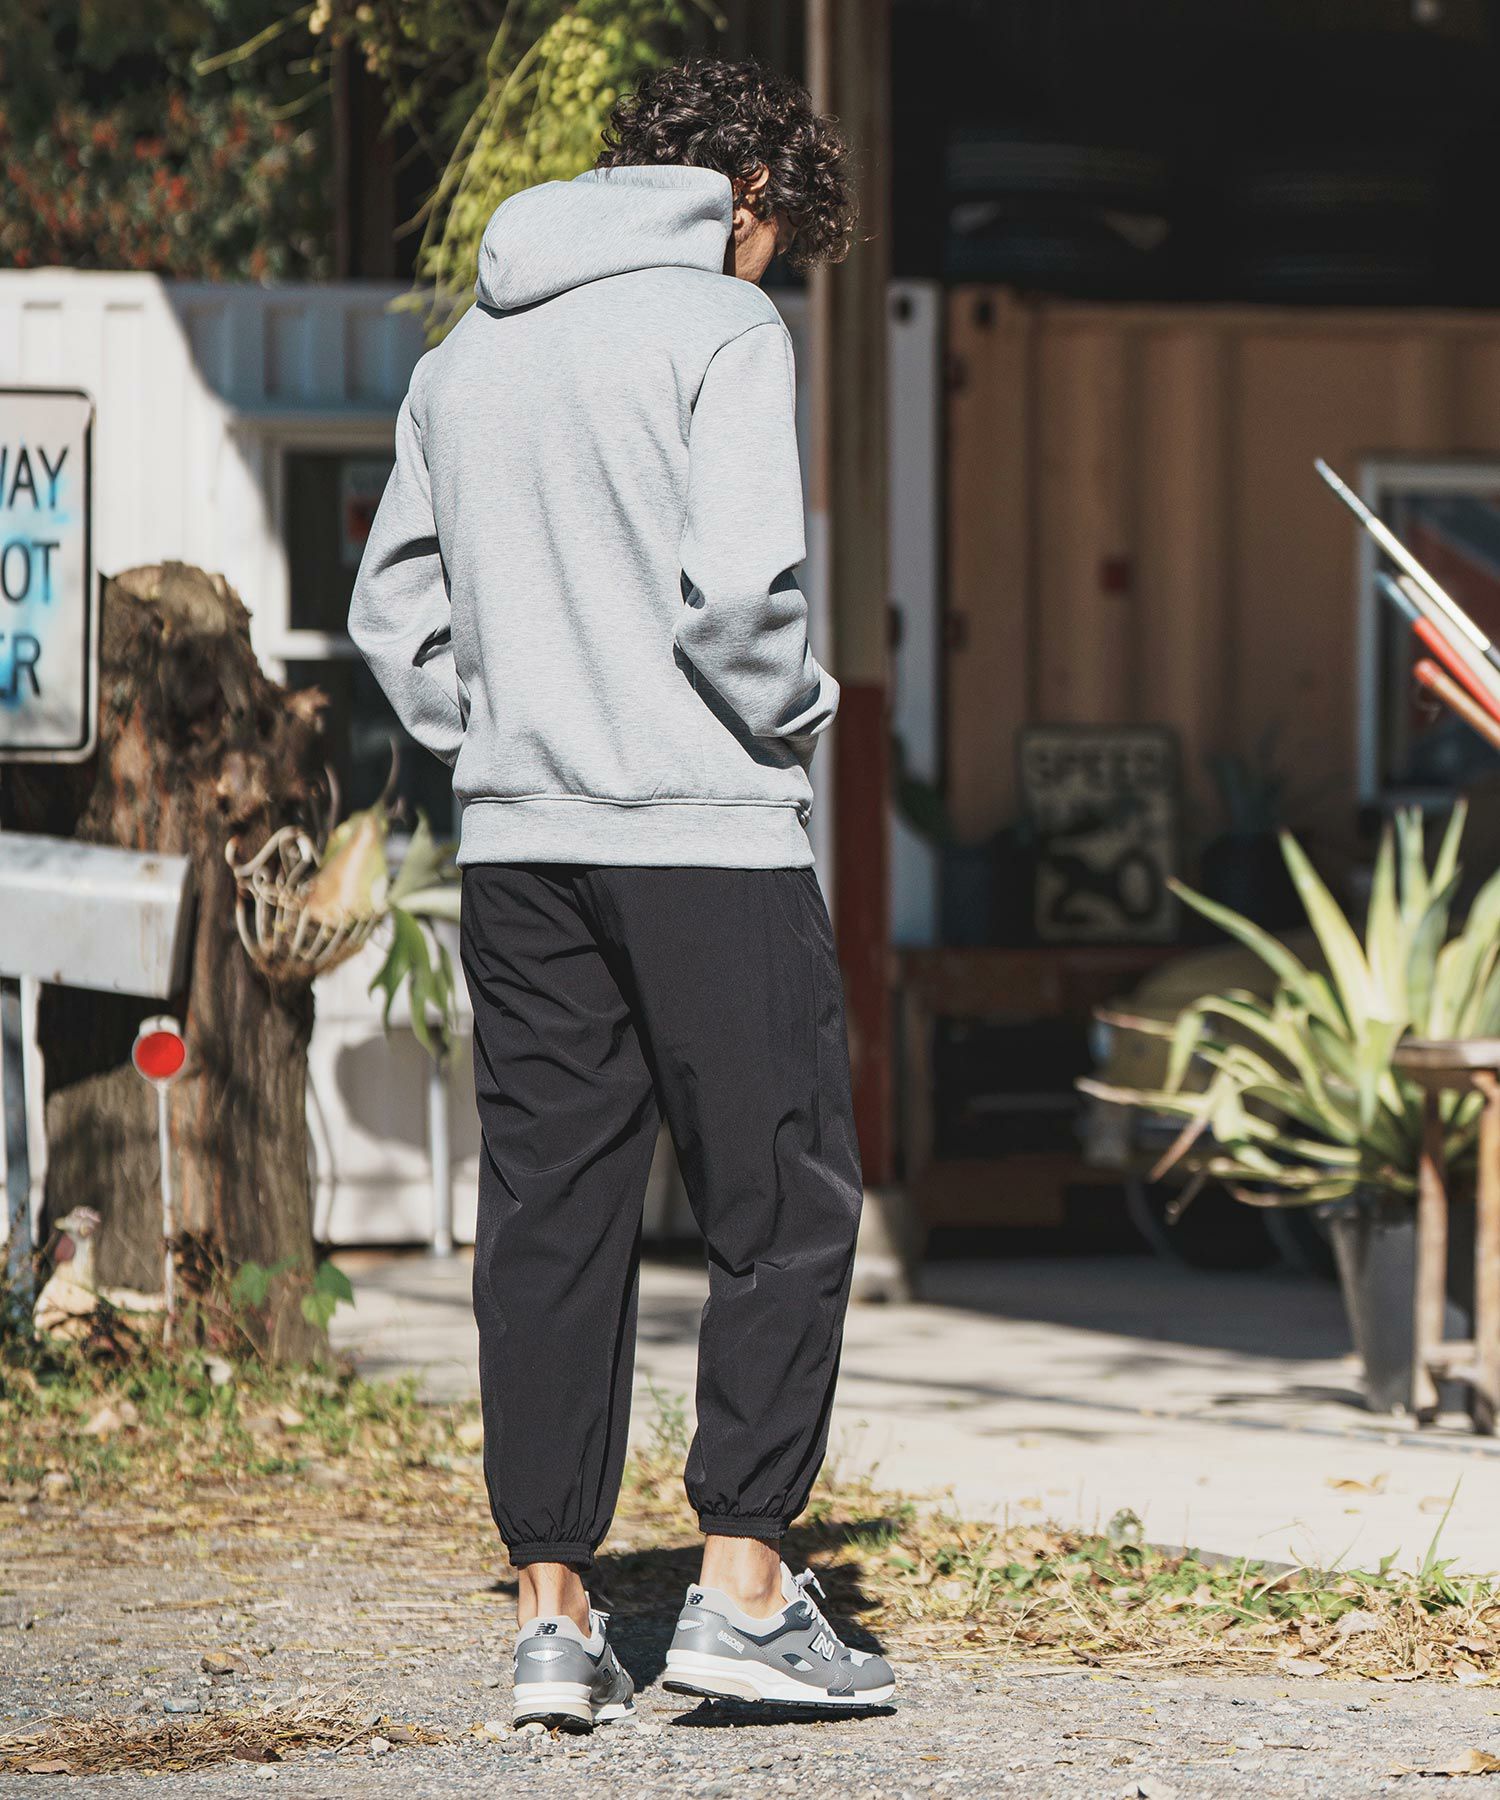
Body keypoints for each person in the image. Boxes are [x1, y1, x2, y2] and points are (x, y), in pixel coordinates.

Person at [349, 55, 894, 1729]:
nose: (773, 261)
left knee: (550, 1212)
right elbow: (740, 603)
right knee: (781, 1196)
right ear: (746, 196)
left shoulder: (464, 354)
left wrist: (512, 741)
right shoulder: (723, 329)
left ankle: (553, 1620)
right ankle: (744, 1589)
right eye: (779, 234)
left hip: (523, 848)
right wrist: (794, 714)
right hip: (706, 833)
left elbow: (393, 615)